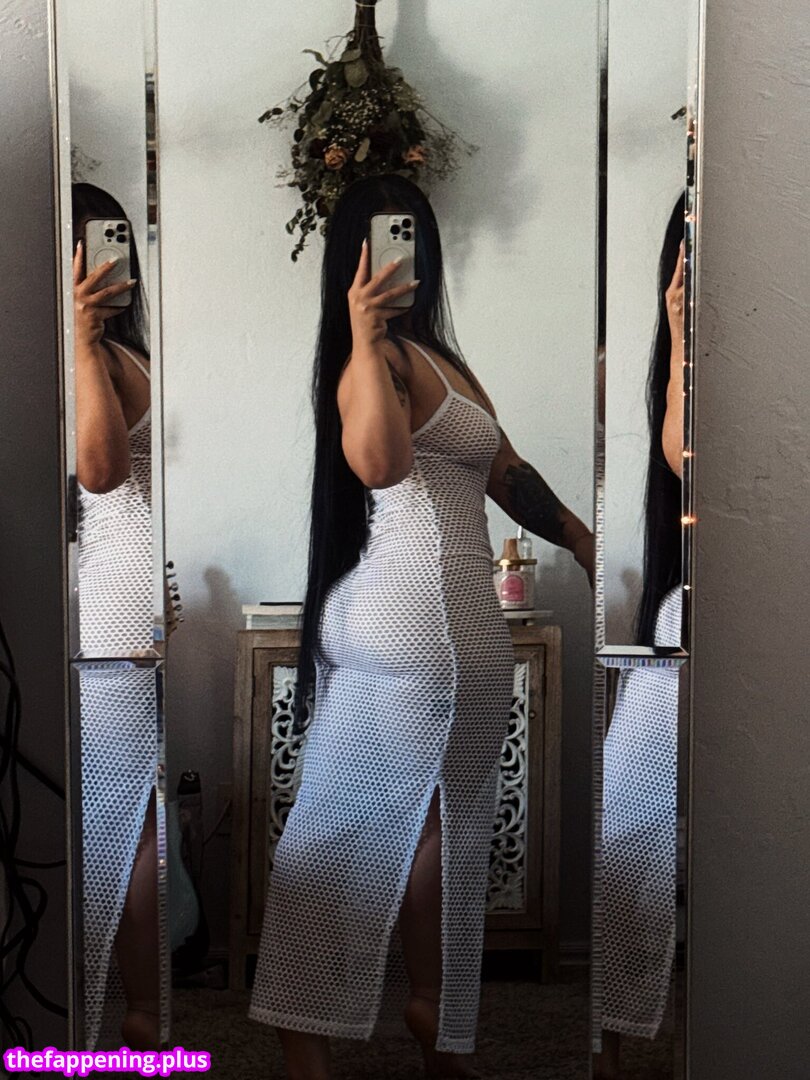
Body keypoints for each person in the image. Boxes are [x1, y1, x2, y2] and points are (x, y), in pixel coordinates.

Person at [248, 174, 594, 1080]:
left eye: (412, 241)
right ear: (354, 262)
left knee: (367, 830)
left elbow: (502, 470)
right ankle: (426, 1021)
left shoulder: (431, 358)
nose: (402, 261)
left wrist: (583, 541)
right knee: (432, 826)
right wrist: (365, 341)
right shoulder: (383, 364)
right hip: (440, 627)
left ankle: (342, 1031)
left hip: (430, 631)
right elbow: (381, 464)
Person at [594, 194, 686, 1079]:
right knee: (627, 823)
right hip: (688, 623)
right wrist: (685, 331)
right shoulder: (684, 361)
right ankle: (611, 1040)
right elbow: (688, 456)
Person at [72, 183, 161, 1051]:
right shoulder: (128, 353)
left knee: (118, 813)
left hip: (112, 598)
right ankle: (137, 1008)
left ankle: (128, 1010)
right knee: (133, 811)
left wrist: (76, 337)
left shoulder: (96, 353)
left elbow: (97, 475)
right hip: (130, 590)